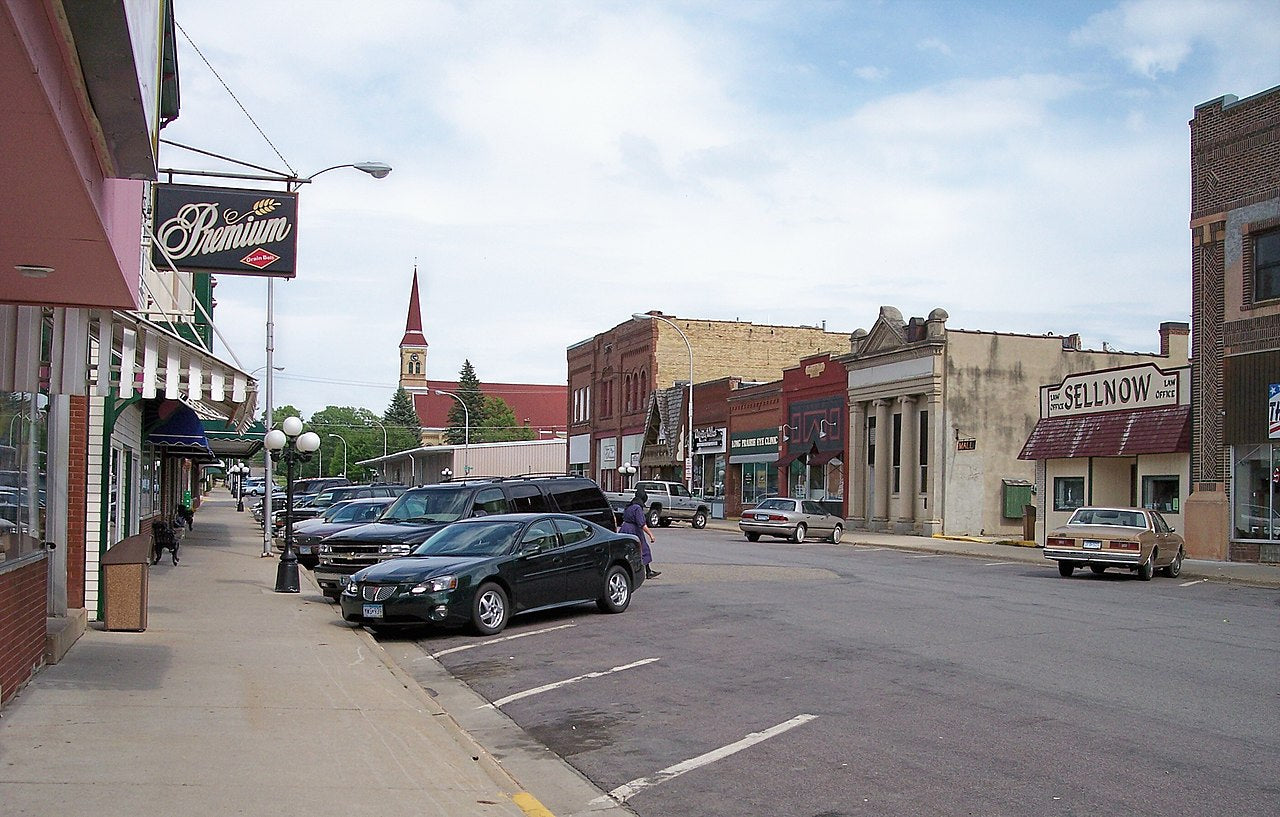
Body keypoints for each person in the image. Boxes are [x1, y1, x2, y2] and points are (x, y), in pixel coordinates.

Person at [619, 488, 660, 578]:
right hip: (634, 530)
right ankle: (648, 572)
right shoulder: (637, 508)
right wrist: (651, 535)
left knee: (628, 550)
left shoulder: (630, 505)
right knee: (643, 549)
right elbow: (642, 524)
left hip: (624, 528)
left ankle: (644, 570)